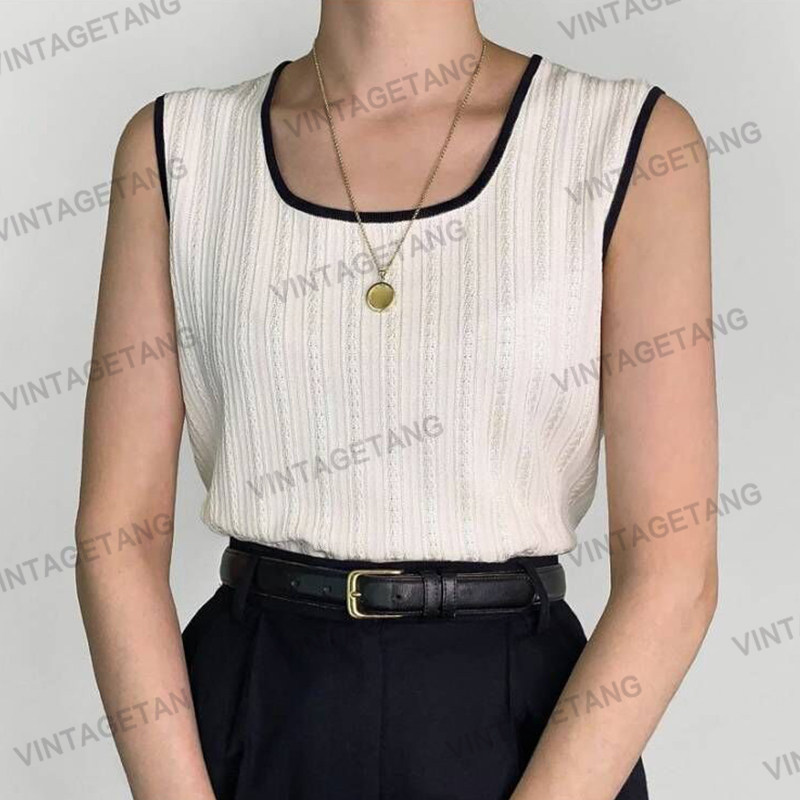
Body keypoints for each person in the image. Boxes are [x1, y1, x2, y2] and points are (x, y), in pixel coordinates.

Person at [75, 1, 718, 799]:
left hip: (524, 731)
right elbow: (118, 539)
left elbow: (673, 574)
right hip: (252, 710)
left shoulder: (627, 143)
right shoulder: (180, 150)